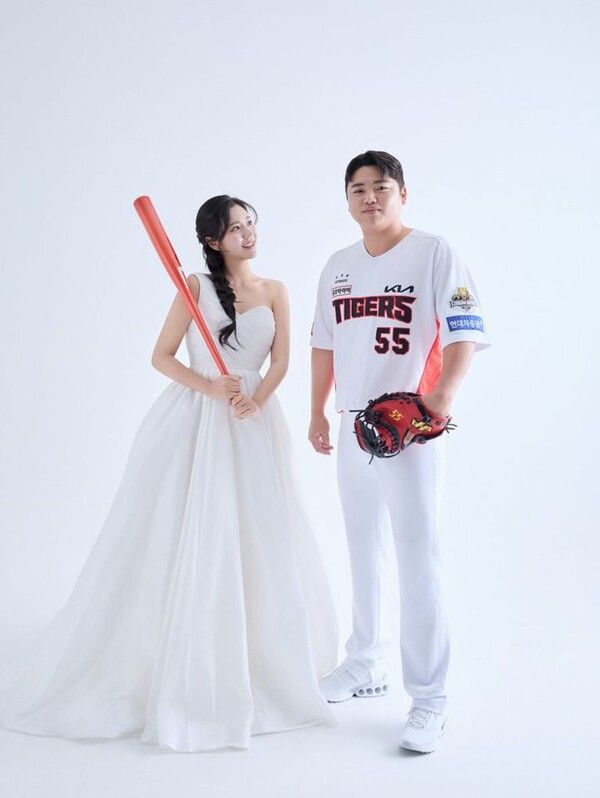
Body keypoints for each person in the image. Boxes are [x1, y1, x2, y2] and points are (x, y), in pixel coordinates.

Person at [0, 194, 338, 753]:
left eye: (250, 223)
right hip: (198, 420)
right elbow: (161, 356)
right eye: (235, 228)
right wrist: (211, 386)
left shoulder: (276, 290)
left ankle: (263, 655)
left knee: (259, 529)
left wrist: (255, 400)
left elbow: (280, 361)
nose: (248, 233)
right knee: (190, 525)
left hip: (253, 420)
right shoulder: (193, 288)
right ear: (212, 241)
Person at [309, 151, 490, 754]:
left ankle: (430, 698)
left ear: (402, 194)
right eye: (358, 189)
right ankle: (365, 661)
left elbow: (464, 328)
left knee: (418, 558)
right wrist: (317, 411)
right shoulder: (338, 266)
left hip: (409, 430)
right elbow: (323, 344)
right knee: (362, 551)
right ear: (347, 199)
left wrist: (442, 398)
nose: (369, 197)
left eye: (381, 187)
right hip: (355, 427)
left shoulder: (433, 252)